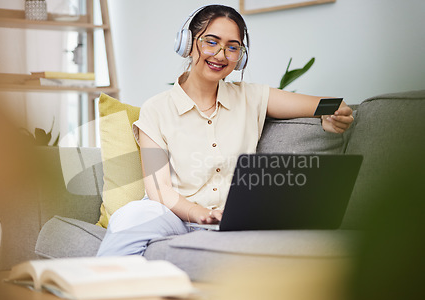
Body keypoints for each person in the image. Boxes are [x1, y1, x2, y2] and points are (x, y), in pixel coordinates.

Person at [96, 4, 353, 256]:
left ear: (240, 57)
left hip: (232, 221)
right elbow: (159, 190)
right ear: (187, 44)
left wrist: (331, 114)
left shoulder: (251, 97)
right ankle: (100, 291)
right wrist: (199, 213)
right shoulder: (156, 108)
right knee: (133, 215)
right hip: (175, 216)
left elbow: (326, 105)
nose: (221, 55)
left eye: (233, 47)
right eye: (211, 41)